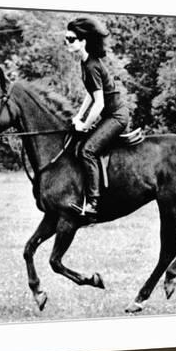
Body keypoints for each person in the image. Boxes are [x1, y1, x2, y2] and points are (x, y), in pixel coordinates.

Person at [65, 17, 130, 216]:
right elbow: (90, 95)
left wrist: (84, 125)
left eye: (71, 39)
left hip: (116, 116)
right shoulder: (85, 63)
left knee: (87, 151)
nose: (67, 42)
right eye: (66, 39)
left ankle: (93, 202)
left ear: (83, 41)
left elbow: (99, 103)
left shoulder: (92, 66)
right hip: (109, 115)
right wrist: (79, 117)